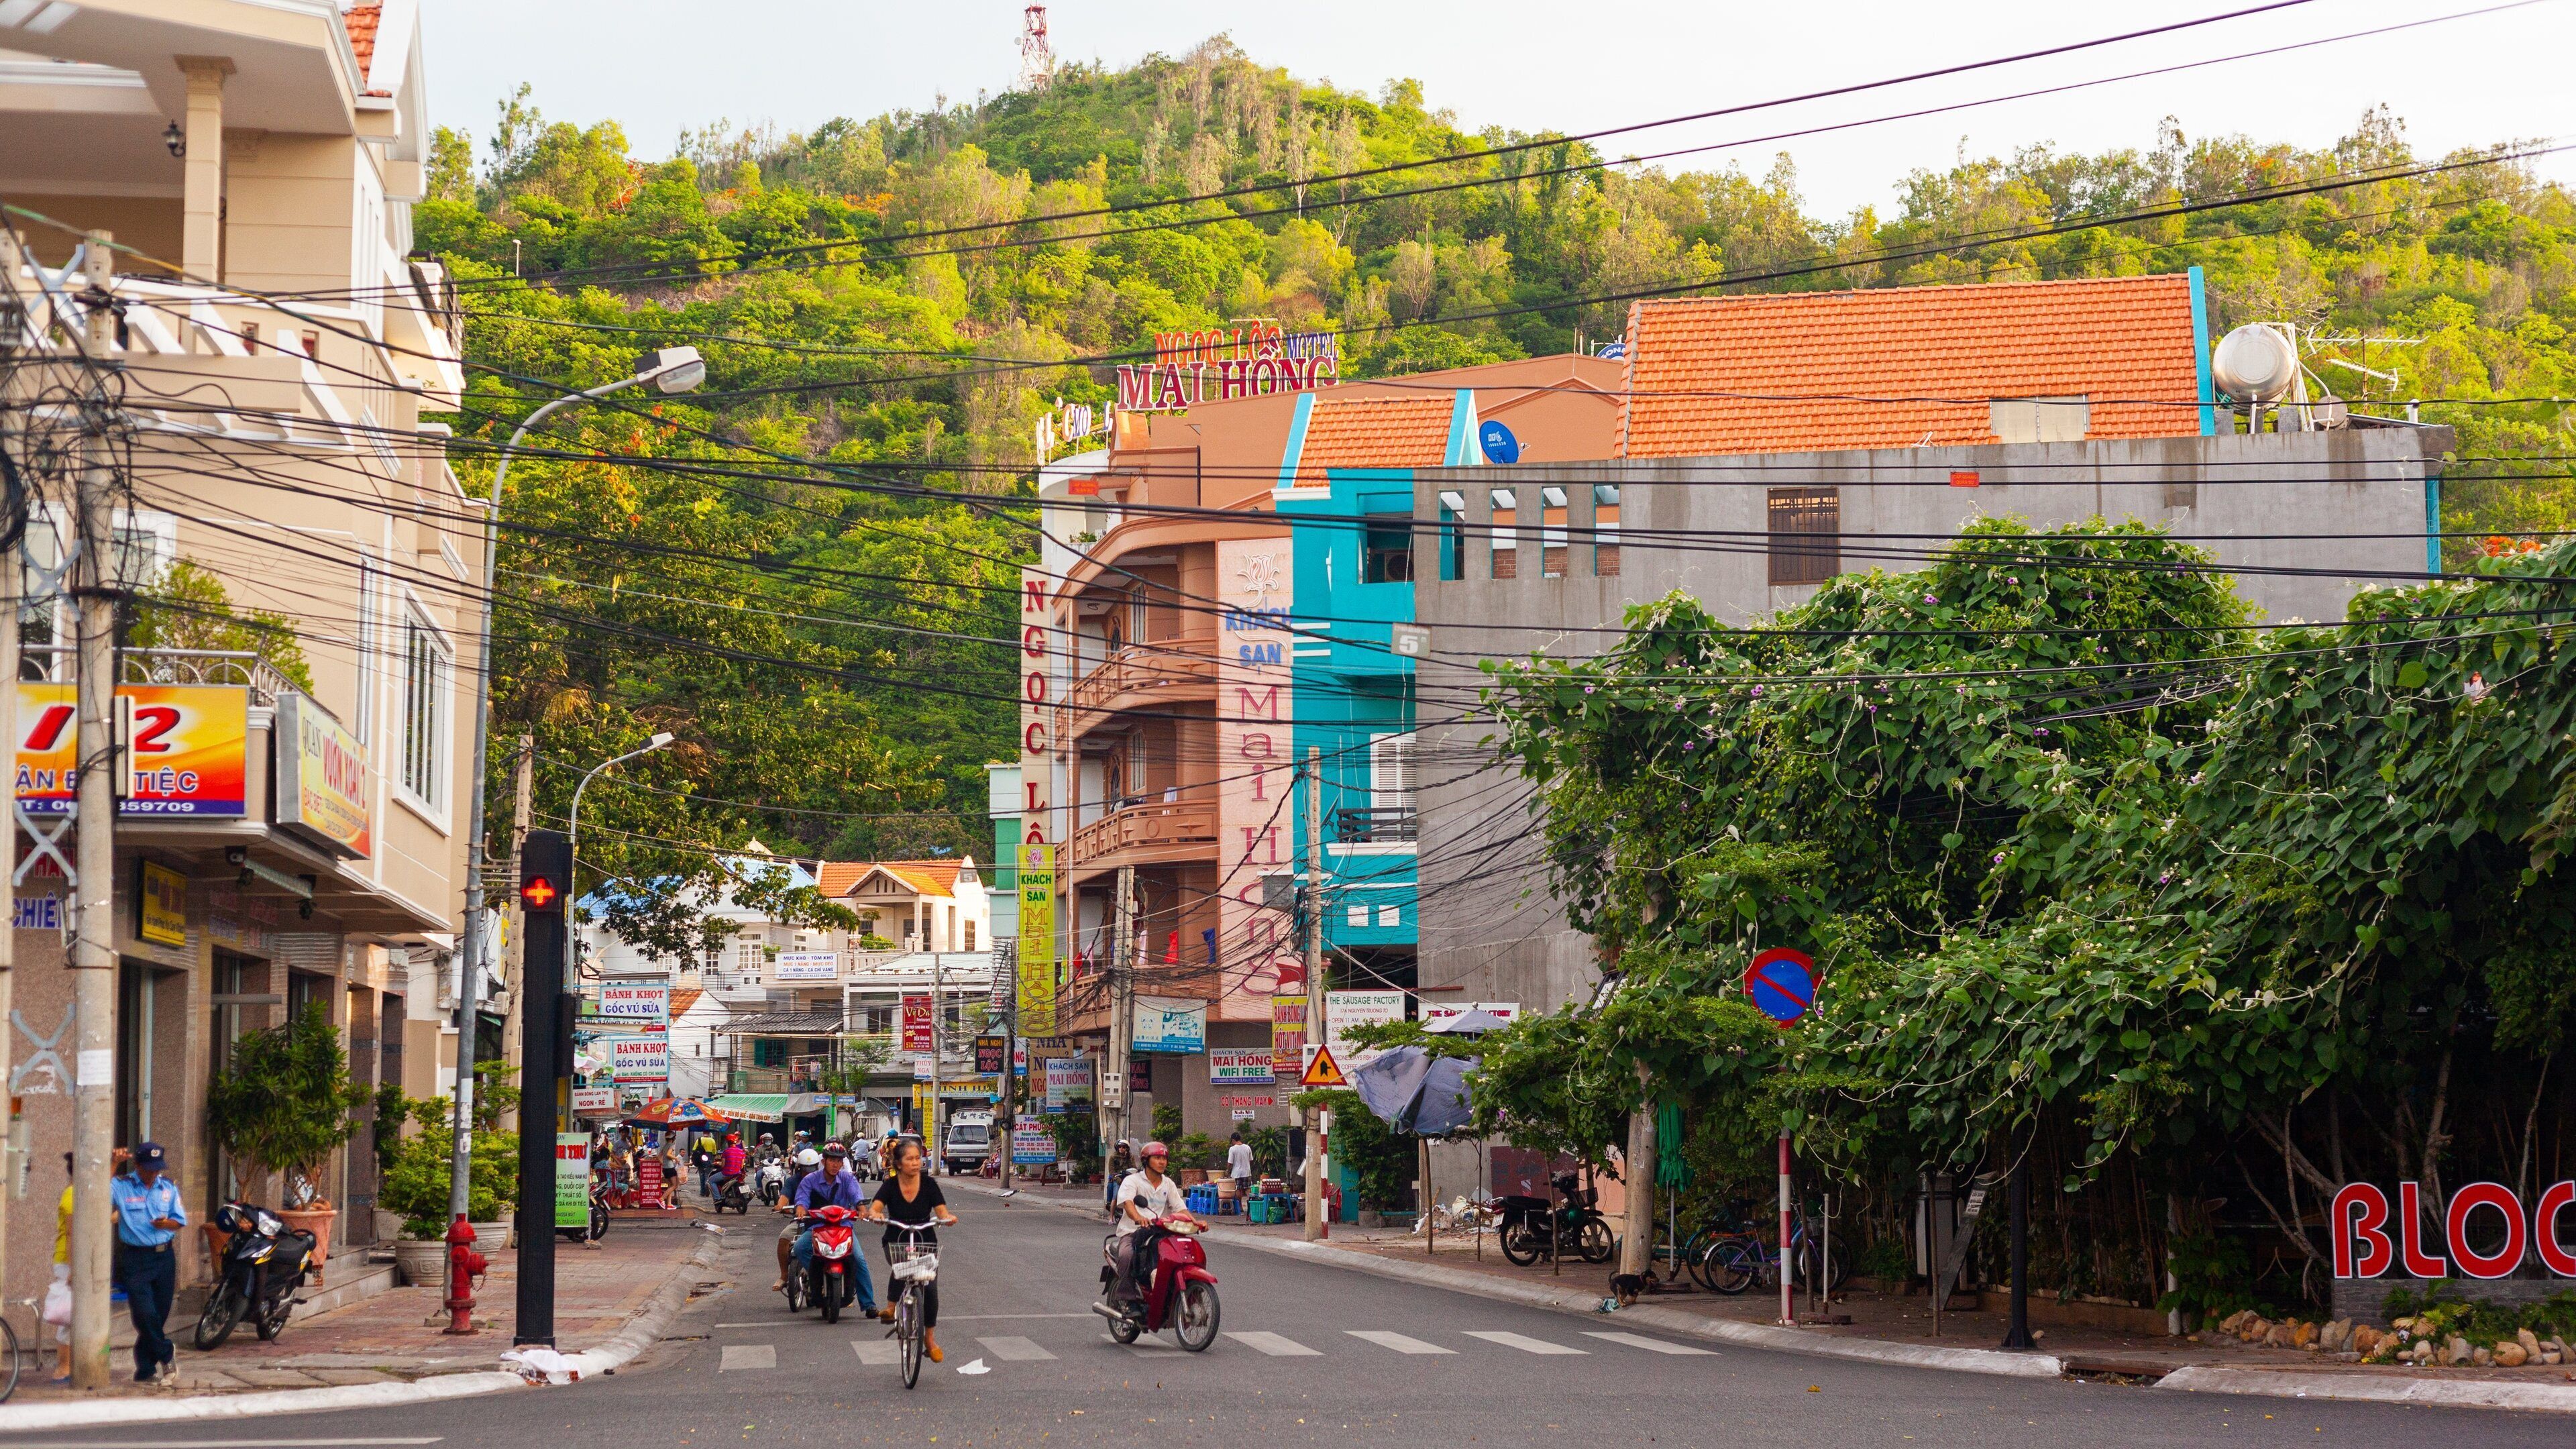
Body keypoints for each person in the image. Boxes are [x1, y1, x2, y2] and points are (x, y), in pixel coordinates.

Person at [869, 1137, 957, 1362]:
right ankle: (891, 1307)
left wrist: (947, 1218)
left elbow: (941, 1211)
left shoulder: (929, 1184)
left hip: (925, 1241)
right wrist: (876, 1215)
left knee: (931, 1288)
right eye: (910, 1159)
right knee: (904, 1265)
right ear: (898, 1163)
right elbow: (876, 1207)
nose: (915, 1163)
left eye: (918, 1158)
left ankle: (930, 1339)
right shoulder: (890, 1185)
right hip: (895, 1240)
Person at [110, 1141, 188, 1385]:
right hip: (135, 1258)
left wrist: (166, 1224)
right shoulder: (122, 1185)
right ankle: (166, 1353)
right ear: (137, 1165)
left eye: (157, 1169)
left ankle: (145, 1369)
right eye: (149, 1169)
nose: (153, 1174)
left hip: (164, 1257)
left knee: (159, 1314)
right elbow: (98, 1195)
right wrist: (113, 1164)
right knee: (144, 1313)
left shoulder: (168, 1187)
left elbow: (179, 1221)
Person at [785, 1142, 876, 1318]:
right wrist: (801, 1209)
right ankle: (816, 1277)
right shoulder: (810, 1180)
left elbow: (857, 1196)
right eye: (832, 1160)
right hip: (818, 1227)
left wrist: (861, 1209)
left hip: (843, 1227)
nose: (835, 1165)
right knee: (800, 1248)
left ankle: (869, 1304)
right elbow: (802, 1199)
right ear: (824, 1161)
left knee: (859, 1259)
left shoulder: (848, 1179)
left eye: (839, 1161)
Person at [1107, 1140, 1196, 1307]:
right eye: (1157, 1158)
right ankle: (1127, 1299)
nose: (1162, 1162)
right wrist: (1138, 1218)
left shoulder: (1168, 1184)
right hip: (1133, 1231)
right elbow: (1128, 1203)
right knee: (1127, 1255)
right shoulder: (1132, 1181)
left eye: (1164, 1158)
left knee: (1182, 1253)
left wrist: (1195, 1222)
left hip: (1160, 1231)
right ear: (1146, 1161)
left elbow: (1180, 1208)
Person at [772, 1146, 825, 1291]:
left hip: (820, 1222)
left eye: (812, 1168)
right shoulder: (792, 1181)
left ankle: (831, 1280)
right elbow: (785, 1196)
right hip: (801, 1220)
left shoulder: (824, 1180)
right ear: (799, 1168)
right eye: (806, 1169)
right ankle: (784, 1275)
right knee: (784, 1238)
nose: (809, 1172)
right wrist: (780, 1206)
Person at [48, 1152, 72, 1383]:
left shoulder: (79, 1192)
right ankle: (63, 1367)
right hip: (68, 1261)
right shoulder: (73, 1194)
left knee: (74, 1315)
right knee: (69, 1316)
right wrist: (75, 1268)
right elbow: (73, 1232)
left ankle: (68, 1366)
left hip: (71, 1260)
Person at [1102, 1138, 1134, 1216]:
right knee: (1115, 1195)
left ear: (1127, 1148)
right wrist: (1119, 1180)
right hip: (1116, 1178)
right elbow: (1112, 1171)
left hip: (1126, 1178)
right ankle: (1111, 1215)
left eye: (1124, 1147)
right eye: (1120, 1147)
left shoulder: (1130, 1157)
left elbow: (1133, 1168)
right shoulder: (1113, 1157)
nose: (1121, 1149)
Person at [1226, 1130, 1255, 1208]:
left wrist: (1228, 1171)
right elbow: (1251, 1160)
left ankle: (1240, 1207)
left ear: (1233, 1140)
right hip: (1247, 1172)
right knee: (1248, 1189)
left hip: (1237, 1173)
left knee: (1238, 1189)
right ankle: (1252, 1206)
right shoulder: (1247, 1147)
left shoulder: (1232, 1149)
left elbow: (1230, 1163)